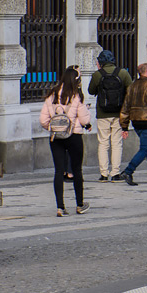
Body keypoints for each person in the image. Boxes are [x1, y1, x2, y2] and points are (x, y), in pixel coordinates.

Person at [39, 66, 93, 217]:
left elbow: (43, 119)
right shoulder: (76, 96)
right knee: (76, 170)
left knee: (58, 170)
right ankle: (80, 204)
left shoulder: (52, 95)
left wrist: (52, 127)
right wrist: (86, 124)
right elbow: (84, 119)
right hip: (74, 136)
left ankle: (60, 207)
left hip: (56, 137)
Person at [87, 50, 132, 182]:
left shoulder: (97, 75)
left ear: (100, 62)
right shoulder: (122, 73)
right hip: (119, 113)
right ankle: (115, 173)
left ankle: (104, 174)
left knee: (103, 143)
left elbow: (91, 91)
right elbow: (130, 90)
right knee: (117, 143)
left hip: (102, 113)